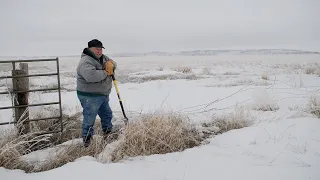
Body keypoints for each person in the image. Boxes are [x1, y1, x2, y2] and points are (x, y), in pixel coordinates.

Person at [76, 39, 117, 147]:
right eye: (96, 49)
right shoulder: (85, 61)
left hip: (102, 94)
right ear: (90, 49)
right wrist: (106, 72)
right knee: (89, 118)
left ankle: (108, 134)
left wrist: (111, 65)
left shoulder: (103, 58)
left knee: (107, 115)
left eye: (100, 49)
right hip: (90, 96)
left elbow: (113, 64)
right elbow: (91, 76)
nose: (99, 51)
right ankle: (87, 142)